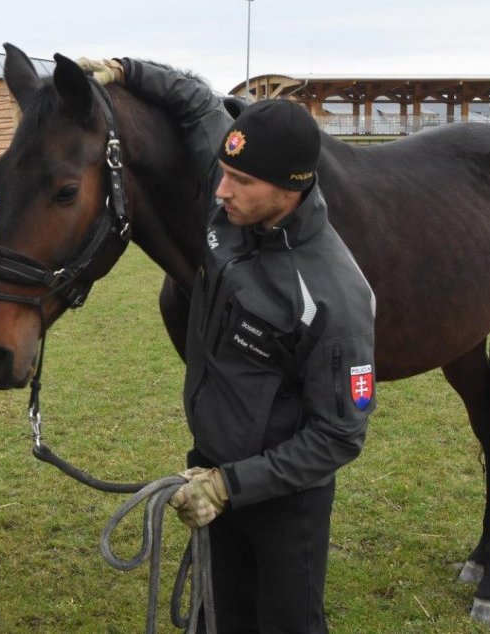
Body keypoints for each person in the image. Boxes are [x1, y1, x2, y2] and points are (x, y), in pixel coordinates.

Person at [82, 59, 376, 633]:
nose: (220, 191)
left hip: (283, 504)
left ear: (291, 188)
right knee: (213, 620)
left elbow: (341, 434)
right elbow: (193, 100)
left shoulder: (334, 295)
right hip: (211, 473)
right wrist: (125, 70)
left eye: (240, 182)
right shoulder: (235, 202)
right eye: (223, 172)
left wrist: (230, 487)